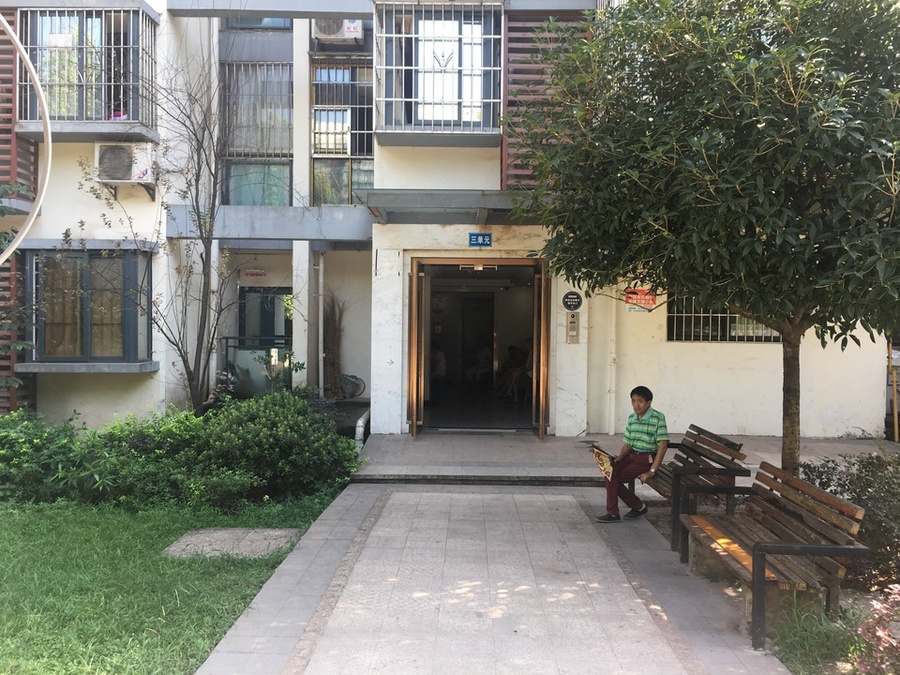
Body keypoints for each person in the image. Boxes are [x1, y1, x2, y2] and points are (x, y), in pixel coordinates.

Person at [596, 385, 668, 523]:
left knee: (614, 478)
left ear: (649, 402)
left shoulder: (658, 417)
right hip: (630, 456)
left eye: (640, 401)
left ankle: (618, 512)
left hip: (645, 459)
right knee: (609, 471)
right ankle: (636, 507)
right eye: (633, 401)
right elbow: (627, 443)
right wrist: (620, 457)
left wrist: (652, 471)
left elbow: (663, 446)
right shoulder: (632, 418)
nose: (636, 405)